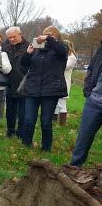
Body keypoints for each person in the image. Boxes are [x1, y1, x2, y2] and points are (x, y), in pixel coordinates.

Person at [19, 26, 68, 151]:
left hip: (51, 90)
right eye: (45, 34)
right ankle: (26, 146)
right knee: (29, 119)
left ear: (56, 37)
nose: (45, 37)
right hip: (32, 88)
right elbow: (24, 65)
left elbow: (61, 51)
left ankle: (46, 148)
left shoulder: (61, 49)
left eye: (50, 35)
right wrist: (27, 54)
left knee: (46, 121)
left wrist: (48, 38)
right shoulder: (37, 50)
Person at [70, 38, 102, 167]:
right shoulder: (100, 50)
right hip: (94, 102)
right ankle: (74, 169)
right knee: (83, 138)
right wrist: (88, 91)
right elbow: (91, 69)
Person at [3, 26, 29, 138]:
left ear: (20, 34)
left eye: (14, 37)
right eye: (9, 38)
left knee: (22, 110)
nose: (12, 39)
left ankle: (21, 132)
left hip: (24, 81)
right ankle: (10, 130)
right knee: (10, 110)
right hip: (9, 80)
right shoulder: (6, 46)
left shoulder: (28, 46)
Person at [54, 40, 77, 125]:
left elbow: (64, 66)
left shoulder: (72, 58)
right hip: (56, 82)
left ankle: (62, 124)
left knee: (62, 103)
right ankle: (53, 122)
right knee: (55, 104)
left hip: (64, 83)